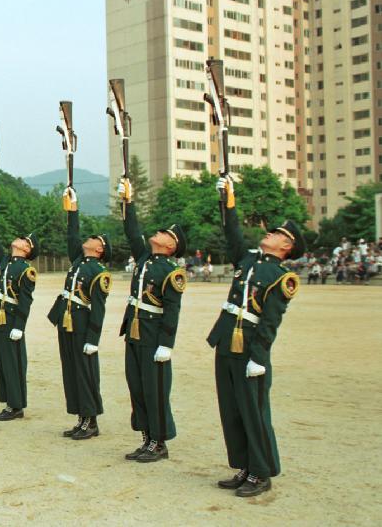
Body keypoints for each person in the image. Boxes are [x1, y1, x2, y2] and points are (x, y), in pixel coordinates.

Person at [207, 176, 303, 498]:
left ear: (286, 247)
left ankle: (261, 473)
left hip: (250, 348)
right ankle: (244, 467)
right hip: (226, 340)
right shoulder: (248, 260)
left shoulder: (281, 277)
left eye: (277, 234)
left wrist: (259, 359)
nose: (270, 233)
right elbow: (231, 235)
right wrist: (228, 201)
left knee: (253, 411)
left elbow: (269, 322)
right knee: (232, 409)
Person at [117, 178, 187, 463]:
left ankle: (159, 442)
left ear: (172, 246)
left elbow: (172, 309)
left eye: (163, 234)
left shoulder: (172, 272)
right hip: (134, 332)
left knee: (155, 389)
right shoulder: (145, 258)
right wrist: (128, 201)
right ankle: (146, 438)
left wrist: (166, 344)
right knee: (137, 386)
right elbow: (131, 231)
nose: (156, 234)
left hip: (153, 334)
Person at [48, 187, 112, 440]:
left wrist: (93, 340)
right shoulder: (79, 260)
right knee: (71, 370)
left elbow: (98, 308)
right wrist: (72, 209)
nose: (90, 238)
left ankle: (92, 420)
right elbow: (72, 235)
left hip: (83, 324)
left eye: (96, 239)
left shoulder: (99, 271)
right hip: (67, 322)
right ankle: (81, 418)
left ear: (100, 250)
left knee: (85, 373)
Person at [0, 201, 38, 421]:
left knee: (13, 362)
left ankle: (16, 406)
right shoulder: (6, 261)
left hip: (12, 318)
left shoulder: (26, 270)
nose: (19, 239)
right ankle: (8, 403)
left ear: (27, 249)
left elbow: (25, 301)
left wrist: (19, 326)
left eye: (24, 240)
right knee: (1, 361)